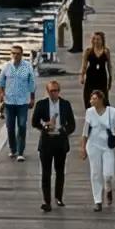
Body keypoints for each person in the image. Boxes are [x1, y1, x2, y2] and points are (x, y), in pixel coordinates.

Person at [32, 79, 76, 214]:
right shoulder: (41, 104)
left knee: (60, 171)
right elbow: (34, 122)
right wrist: (44, 127)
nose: (54, 93)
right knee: (46, 173)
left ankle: (58, 197)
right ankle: (47, 200)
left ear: (59, 91)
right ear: (47, 91)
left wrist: (64, 131)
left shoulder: (65, 104)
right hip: (46, 141)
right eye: (51, 91)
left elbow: (72, 124)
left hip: (60, 141)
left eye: (56, 90)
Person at [82, 87, 115, 211]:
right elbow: (85, 130)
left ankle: (108, 188)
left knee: (108, 174)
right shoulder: (89, 112)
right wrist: (83, 147)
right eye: (91, 98)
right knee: (95, 173)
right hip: (93, 145)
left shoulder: (112, 111)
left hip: (107, 146)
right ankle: (98, 200)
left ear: (100, 99)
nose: (91, 101)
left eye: (94, 98)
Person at [0, 47, 37, 161]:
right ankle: (13, 149)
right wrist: (0, 95)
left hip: (22, 101)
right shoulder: (6, 67)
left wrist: (32, 98)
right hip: (9, 101)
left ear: (22, 55)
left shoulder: (27, 67)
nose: (15, 56)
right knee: (10, 127)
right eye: (13, 53)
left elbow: (32, 84)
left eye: (18, 54)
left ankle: (20, 151)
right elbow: (0, 83)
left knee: (22, 125)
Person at [81, 31, 112, 104]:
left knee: (103, 98)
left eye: (98, 39)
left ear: (102, 40)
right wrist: (82, 76)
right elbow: (84, 65)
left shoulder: (106, 51)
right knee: (88, 97)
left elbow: (109, 65)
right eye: (94, 39)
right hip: (91, 77)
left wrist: (110, 78)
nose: (96, 41)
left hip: (102, 77)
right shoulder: (88, 51)